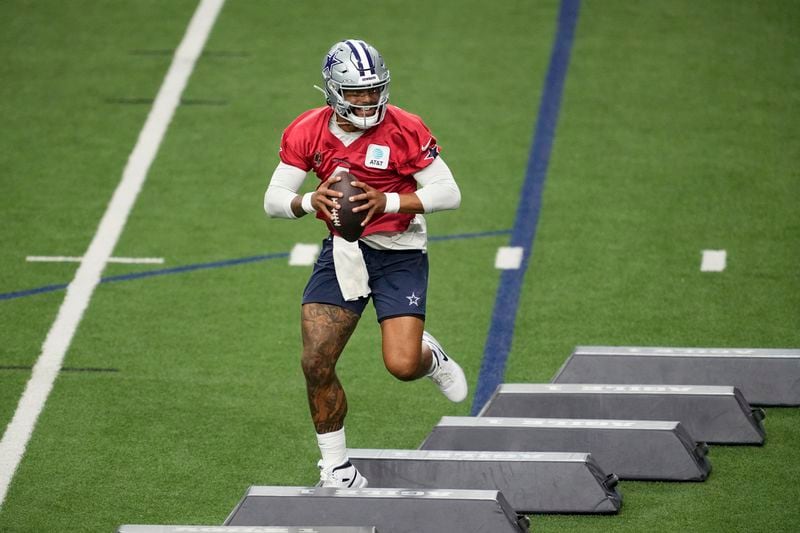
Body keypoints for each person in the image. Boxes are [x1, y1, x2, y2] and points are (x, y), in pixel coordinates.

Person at [263, 38, 467, 488]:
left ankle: (429, 359)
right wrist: (306, 200)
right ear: (334, 91)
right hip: (344, 251)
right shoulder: (307, 129)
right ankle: (337, 466)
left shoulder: (405, 127)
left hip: (400, 253)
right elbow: (273, 199)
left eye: (374, 90)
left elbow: (449, 192)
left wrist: (389, 200)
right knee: (316, 360)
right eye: (357, 92)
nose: (368, 100)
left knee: (401, 364)